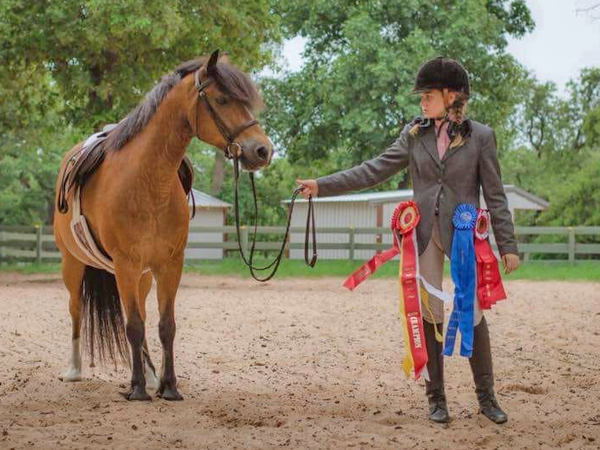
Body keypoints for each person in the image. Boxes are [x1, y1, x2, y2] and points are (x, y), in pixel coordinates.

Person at [296, 56, 520, 424]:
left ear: (451, 96)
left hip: (465, 236)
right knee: (430, 313)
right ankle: (437, 399)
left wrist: (507, 245)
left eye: (428, 95)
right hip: (425, 235)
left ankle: (487, 397)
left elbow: (495, 194)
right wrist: (322, 185)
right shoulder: (414, 134)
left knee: (473, 312)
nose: (421, 101)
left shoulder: (482, 137)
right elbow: (374, 169)